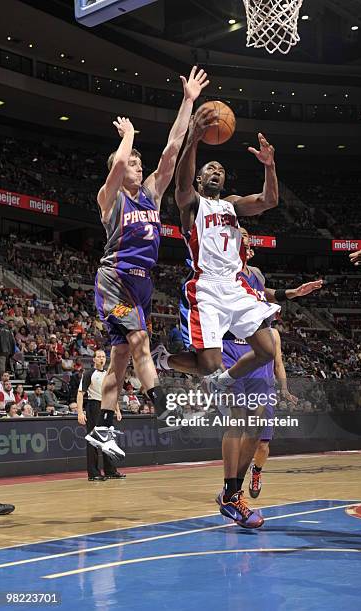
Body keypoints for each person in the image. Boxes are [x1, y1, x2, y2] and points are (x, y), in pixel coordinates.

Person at [155, 229, 321, 527]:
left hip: (256, 352)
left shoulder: (255, 272)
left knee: (255, 429)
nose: (242, 235)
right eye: (237, 232)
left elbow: (263, 295)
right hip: (228, 343)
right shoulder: (218, 265)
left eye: (245, 233)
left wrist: (290, 294)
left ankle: (233, 491)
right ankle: (233, 495)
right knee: (235, 418)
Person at [87, 66, 209, 462]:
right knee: (139, 341)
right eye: (134, 164)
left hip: (142, 286)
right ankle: (162, 405)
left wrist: (188, 101)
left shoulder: (151, 195)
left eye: (141, 164)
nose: (139, 168)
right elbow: (119, 167)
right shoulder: (111, 198)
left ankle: (103, 426)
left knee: (121, 359)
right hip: (114, 283)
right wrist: (129, 138)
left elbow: (173, 148)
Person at [153, 108, 282, 396]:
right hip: (207, 287)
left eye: (221, 170)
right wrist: (194, 139)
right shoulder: (192, 204)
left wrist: (269, 166)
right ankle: (164, 359)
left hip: (236, 286)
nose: (216, 172)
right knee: (209, 364)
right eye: (210, 168)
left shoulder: (232, 204)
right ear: (199, 179)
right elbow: (181, 184)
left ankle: (223, 381)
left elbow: (269, 200)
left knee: (267, 350)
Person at [248, 329, 298, 499]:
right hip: (242, 388)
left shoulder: (273, 333)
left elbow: (278, 364)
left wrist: (284, 389)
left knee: (262, 445)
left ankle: (256, 471)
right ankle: (232, 490)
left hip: (265, 390)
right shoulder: (238, 326)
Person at [78, 350, 124, 481]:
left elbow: (112, 393)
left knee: (108, 439)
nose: (101, 359)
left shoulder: (109, 374)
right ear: (94, 360)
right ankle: (93, 473)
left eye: (103, 357)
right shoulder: (88, 374)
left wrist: (117, 409)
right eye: (98, 357)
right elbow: (80, 393)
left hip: (107, 407)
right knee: (93, 440)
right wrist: (80, 412)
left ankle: (110, 471)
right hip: (94, 406)